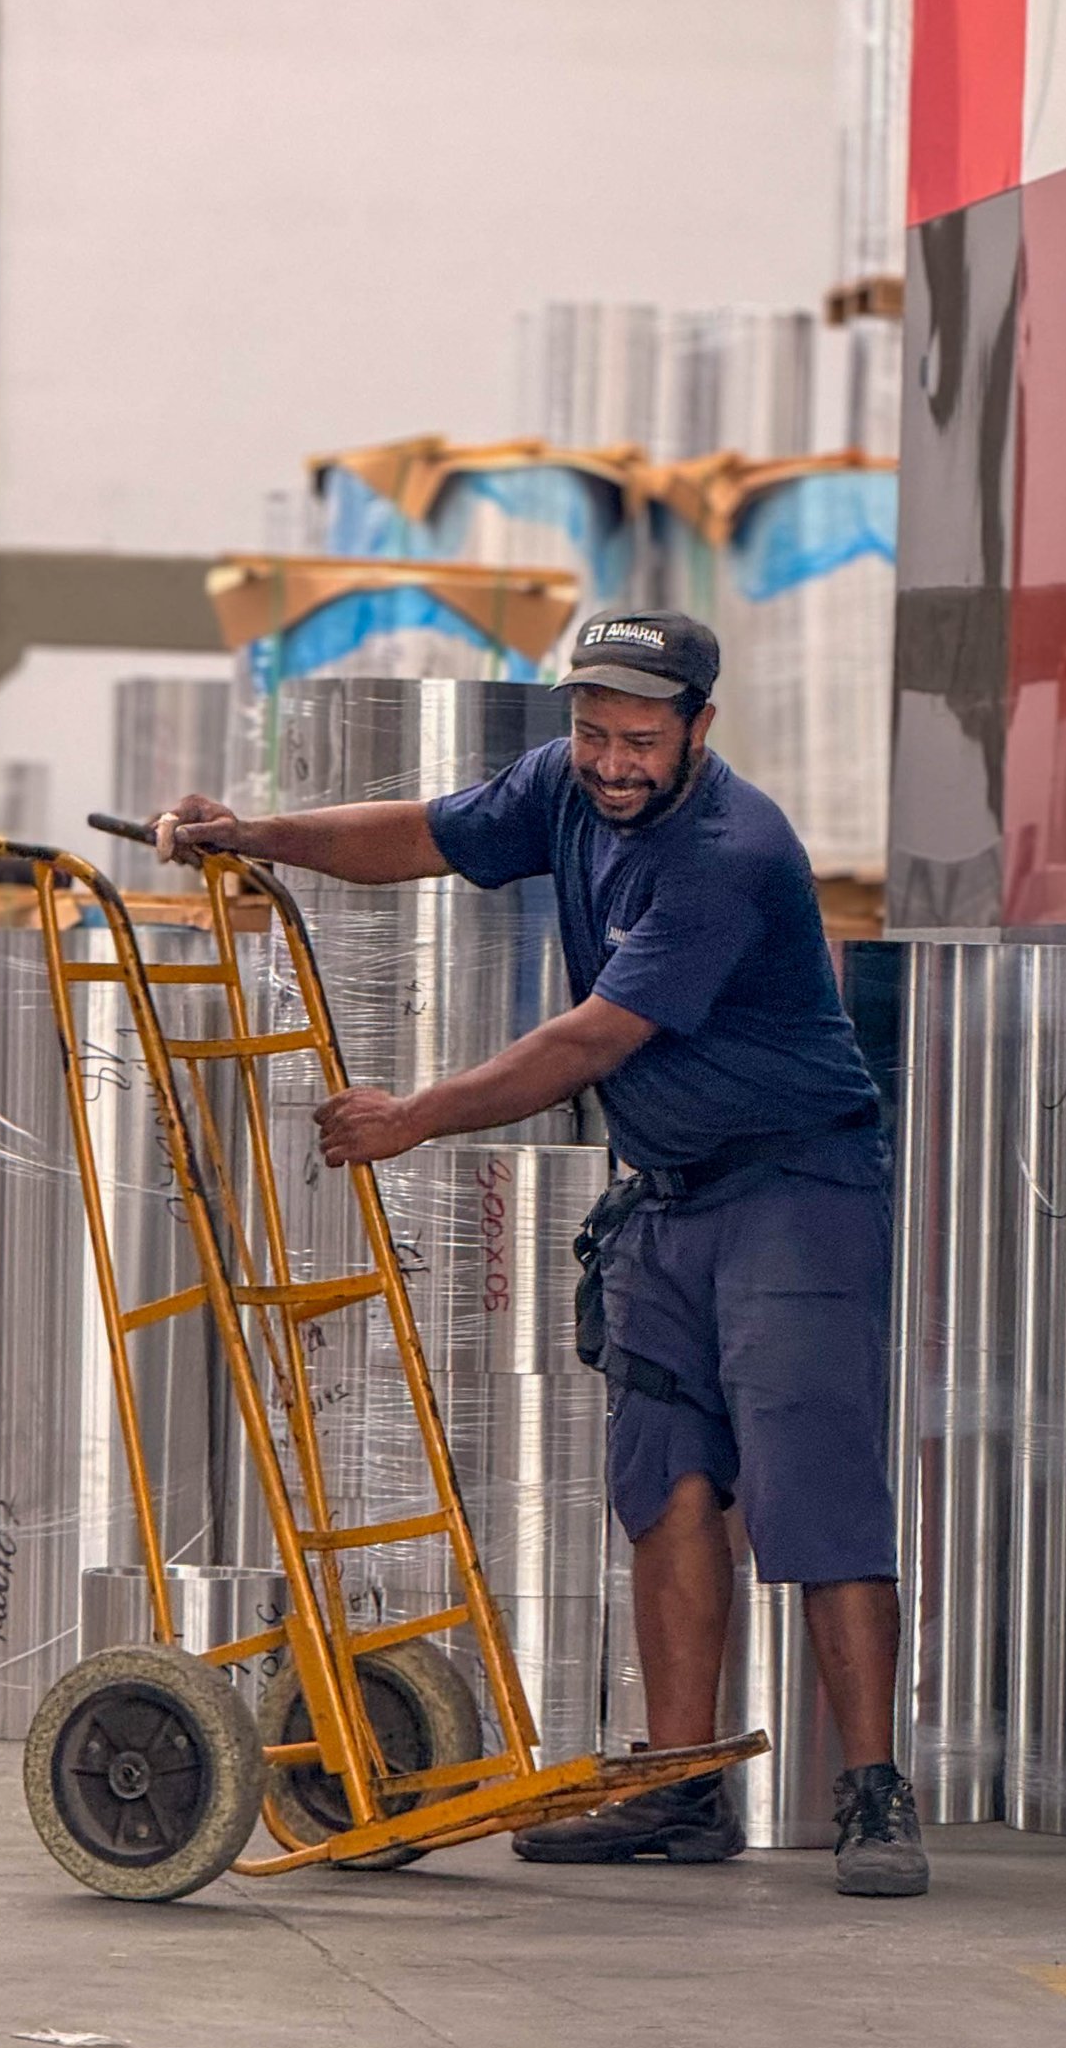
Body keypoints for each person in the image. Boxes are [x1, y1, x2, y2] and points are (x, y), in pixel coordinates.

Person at [157, 610, 928, 1897]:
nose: (610, 762)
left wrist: (413, 1115)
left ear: (698, 731)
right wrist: (257, 834)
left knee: (811, 1491)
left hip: (798, 1190)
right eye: (590, 733)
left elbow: (587, 1041)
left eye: (638, 738)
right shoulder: (564, 789)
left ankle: (873, 1792)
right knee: (667, 1483)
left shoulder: (728, 854)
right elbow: (419, 837)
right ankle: (682, 1792)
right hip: (668, 1195)